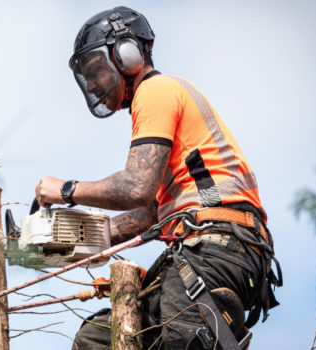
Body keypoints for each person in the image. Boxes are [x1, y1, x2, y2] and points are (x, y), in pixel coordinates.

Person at [34, 6, 281, 349]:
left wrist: (66, 190)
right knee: (96, 340)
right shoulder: (160, 114)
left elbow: (137, 186)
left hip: (218, 247)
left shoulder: (156, 91)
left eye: (94, 70)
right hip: (199, 247)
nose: (91, 83)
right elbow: (154, 212)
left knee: (184, 338)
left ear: (126, 53)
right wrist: (76, 236)